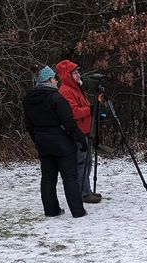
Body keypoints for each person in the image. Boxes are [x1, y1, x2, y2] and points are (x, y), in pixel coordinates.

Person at [22, 66, 86, 218]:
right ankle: (77, 211)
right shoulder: (56, 98)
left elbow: (29, 125)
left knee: (48, 178)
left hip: (42, 142)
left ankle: (51, 210)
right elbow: (68, 123)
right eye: (54, 78)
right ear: (49, 80)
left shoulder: (29, 99)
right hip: (62, 143)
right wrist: (80, 139)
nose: (56, 81)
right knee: (70, 178)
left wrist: (37, 139)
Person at [54, 59, 101, 204]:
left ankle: (86, 190)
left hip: (85, 130)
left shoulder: (76, 88)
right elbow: (73, 112)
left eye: (78, 72)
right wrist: (89, 110)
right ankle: (84, 193)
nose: (78, 75)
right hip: (78, 132)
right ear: (67, 75)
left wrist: (93, 108)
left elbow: (83, 106)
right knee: (81, 162)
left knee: (87, 162)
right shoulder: (66, 90)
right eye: (74, 73)